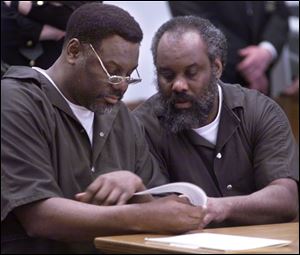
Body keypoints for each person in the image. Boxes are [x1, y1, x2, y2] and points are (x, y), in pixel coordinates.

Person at [1, 4, 205, 254]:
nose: (121, 87)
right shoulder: (17, 100)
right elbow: (39, 217)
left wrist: (137, 188)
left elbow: (161, 207)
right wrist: (141, 216)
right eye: (113, 72)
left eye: (129, 75)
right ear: (74, 51)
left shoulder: (120, 117)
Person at [133, 16, 299, 229]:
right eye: (167, 75)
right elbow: (154, 208)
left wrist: (223, 207)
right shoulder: (143, 127)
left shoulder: (260, 111)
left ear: (217, 67)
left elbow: (286, 198)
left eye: (191, 73)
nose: (179, 85)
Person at [168, 1, 290, 95]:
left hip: (260, 88)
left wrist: (266, 51)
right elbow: (198, 26)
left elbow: (280, 12)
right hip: (213, 86)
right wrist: (252, 67)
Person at [1, 1, 95, 74]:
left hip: (55, 71)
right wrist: (42, 31)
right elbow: (6, 23)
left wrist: (19, 5)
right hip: (11, 67)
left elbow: (80, 16)